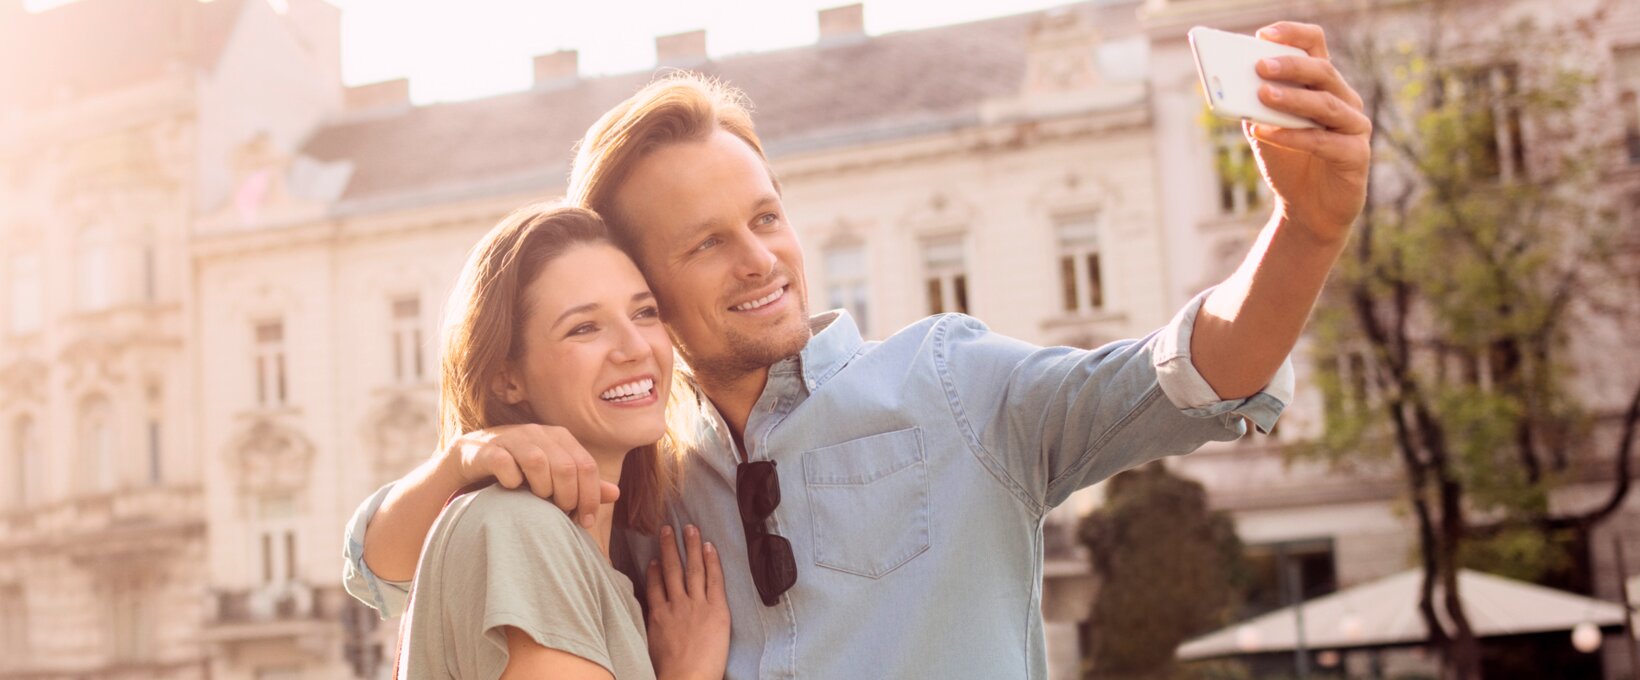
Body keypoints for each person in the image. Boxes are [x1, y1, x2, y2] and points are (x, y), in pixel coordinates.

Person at [344, 21, 1370, 679]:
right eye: (706, 243)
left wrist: (1304, 230)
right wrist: (465, 454)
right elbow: (388, 570)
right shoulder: (635, 486)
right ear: (649, 291)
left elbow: (1196, 369)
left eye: (766, 217)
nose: (761, 260)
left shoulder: (954, 383)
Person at [394, 204, 728, 680]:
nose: (636, 347)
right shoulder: (519, 530)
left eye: (645, 312)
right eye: (584, 327)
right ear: (507, 379)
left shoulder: (582, 549)